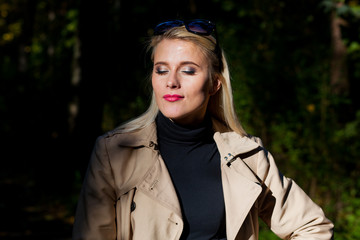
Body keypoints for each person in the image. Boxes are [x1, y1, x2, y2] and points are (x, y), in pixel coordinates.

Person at [72, 19, 334, 240]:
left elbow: (312, 227)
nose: (171, 82)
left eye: (188, 70)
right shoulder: (114, 152)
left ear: (214, 84)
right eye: (161, 70)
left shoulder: (247, 156)